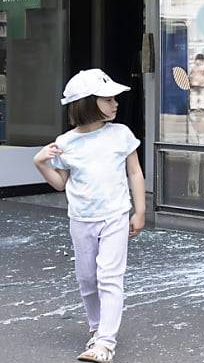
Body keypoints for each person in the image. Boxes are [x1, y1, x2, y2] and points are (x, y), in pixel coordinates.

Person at [31, 69, 145, 363]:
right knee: (87, 279)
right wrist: (40, 162)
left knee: (109, 277)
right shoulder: (66, 142)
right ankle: (96, 330)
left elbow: (134, 172)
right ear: (87, 103)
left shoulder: (121, 134)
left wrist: (140, 210)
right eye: (108, 99)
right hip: (80, 219)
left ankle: (105, 342)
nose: (115, 103)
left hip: (115, 216)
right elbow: (61, 184)